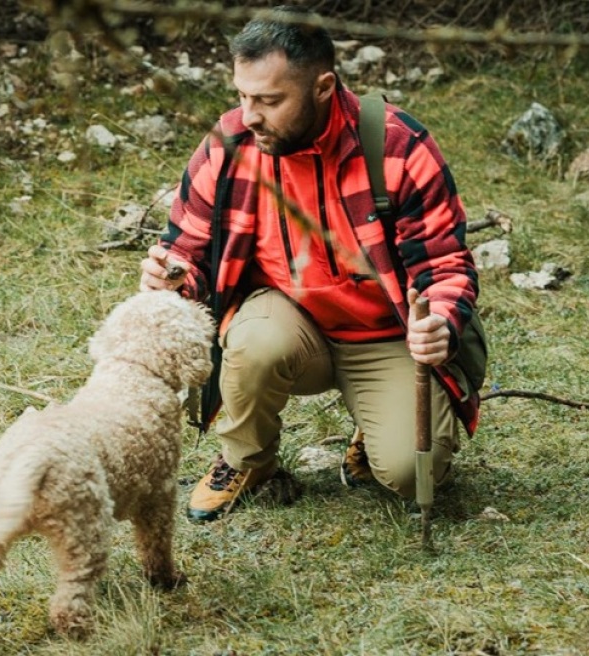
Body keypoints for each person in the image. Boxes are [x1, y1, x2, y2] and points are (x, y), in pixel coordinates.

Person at [138, 6, 486, 523]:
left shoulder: (397, 146)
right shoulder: (230, 145)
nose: (249, 114)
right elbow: (187, 249)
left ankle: (375, 432)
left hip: (385, 334)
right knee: (255, 342)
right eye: (242, 96)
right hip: (288, 324)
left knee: (415, 474)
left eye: (270, 100)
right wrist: (173, 278)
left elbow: (444, 262)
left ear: (323, 88)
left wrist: (439, 321)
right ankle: (248, 461)